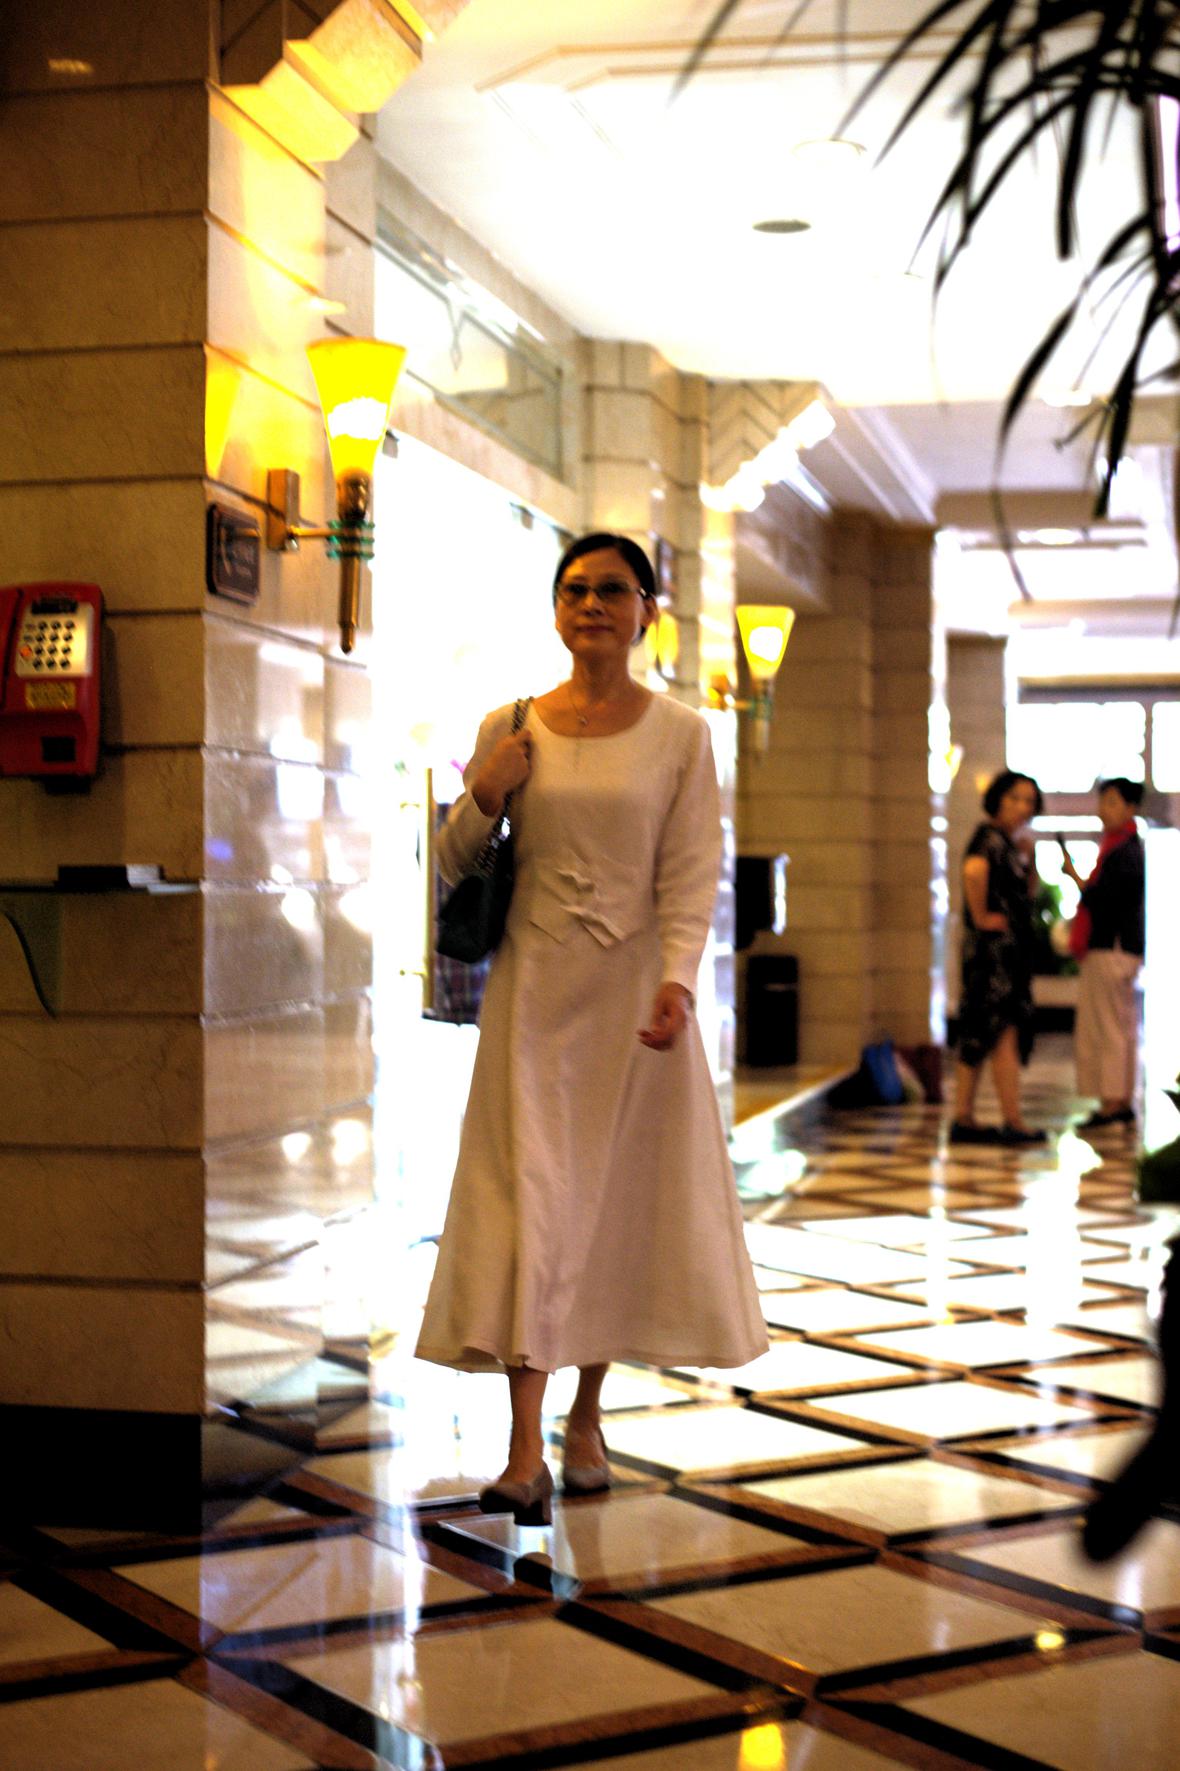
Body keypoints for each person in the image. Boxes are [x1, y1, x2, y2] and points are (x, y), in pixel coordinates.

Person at [415, 532, 768, 1523]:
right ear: (556, 609)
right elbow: (450, 860)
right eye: (574, 590)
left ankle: (585, 1417)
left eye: (613, 589)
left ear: (647, 610)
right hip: (531, 996)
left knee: (608, 1205)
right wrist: (487, 788)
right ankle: (523, 1447)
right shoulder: (510, 723)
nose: (592, 604)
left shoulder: (681, 735)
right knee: (532, 1202)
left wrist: (677, 979)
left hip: (632, 1002)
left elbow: (690, 871)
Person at [949, 769, 1046, 1145]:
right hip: (993, 955)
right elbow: (974, 871)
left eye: (1029, 801)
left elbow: (1027, 893)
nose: (1022, 807)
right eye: (1015, 798)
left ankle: (965, 1116)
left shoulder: (1008, 843)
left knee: (980, 1032)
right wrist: (981, 915)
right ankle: (1011, 1119)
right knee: (1001, 1031)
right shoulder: (989, 839)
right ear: (998, 800)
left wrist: (1028, 859)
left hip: (1002, 954)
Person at [1059, 777, 1145, 1130]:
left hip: (1112, 949)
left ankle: (1113, 1103)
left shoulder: (1124, 851)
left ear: (1130, 808)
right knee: (1118, 1025)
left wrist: (1074, 877)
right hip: (1118, 949)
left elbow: (1103, 901)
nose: (1102, 809)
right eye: (1102, 801)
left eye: (1111, 802)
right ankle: (1119, 1100)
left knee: (1108, 1026)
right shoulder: (1121, 847)